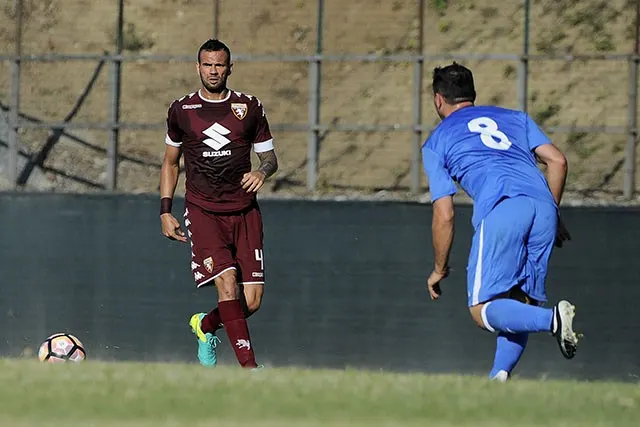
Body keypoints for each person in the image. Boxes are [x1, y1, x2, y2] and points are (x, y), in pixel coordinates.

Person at [421, 62, 579, 381]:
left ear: (438, 100)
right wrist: (554, 212)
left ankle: (553, 321)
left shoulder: (437, 142)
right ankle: (499, 378)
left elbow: (445, 213)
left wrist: (439, 268)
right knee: (520, 303)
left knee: (482, 310)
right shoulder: (515, 118)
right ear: (473, 95)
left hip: (503, 208)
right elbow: (557, 161)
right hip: (543, 206)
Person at [159, 39, 278, 369]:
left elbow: (269, 158)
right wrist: (165, 210)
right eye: (207, 65)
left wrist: (262, 171)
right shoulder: (182, 110)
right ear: (198, 67)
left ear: (229, 68)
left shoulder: (248, 107)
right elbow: (170, 163)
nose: (213, 71)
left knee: (250, 302)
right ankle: (251, 371)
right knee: (227, 284)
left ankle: (205, 325)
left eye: (220, 65)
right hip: (204, 211)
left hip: (244, 212)